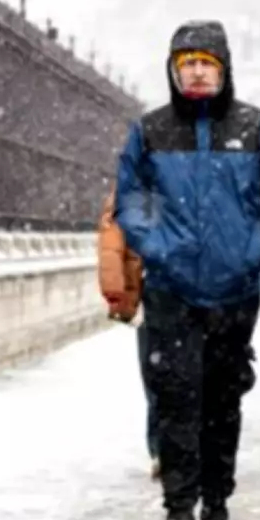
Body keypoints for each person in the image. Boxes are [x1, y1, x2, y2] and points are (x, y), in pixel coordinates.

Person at [115, 21, 260, 520]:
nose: (196, 71)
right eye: (187, 63)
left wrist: (256, 249)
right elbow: (131, 196)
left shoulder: (257, 128)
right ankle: (178, 509)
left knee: (222, 398)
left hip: (233, 290)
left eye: (206, 63)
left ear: (223, 70)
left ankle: (216, 503)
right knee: (175, 397)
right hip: (171, 288)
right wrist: (155, 245)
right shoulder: (150, 131)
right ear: (174, 71)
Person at [97, 188, 159, 479]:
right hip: (177, 291)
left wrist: (119, 298)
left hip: (148, 295)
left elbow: (111, 247)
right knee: (182, 373)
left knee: (155, 375)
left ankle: (161, 448)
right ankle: (177, 446)